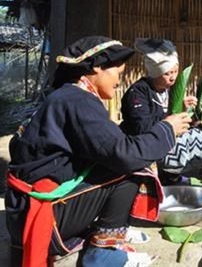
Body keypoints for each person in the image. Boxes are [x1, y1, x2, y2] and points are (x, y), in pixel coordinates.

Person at [6, 36, 192, 266]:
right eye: (118, 73)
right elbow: (125, 154)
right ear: (96, 68)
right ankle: (103, 253)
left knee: (112, 160)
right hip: (39, 216)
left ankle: (105, 232)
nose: (119, 81)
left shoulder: (66, 96)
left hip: (21, 211)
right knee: (134, 168)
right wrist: (167, 129)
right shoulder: (78, 100)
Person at [120, 38, 202, 184]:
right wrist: (171, 117)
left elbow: (175, 116)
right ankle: (165, 177)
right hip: (143, 142)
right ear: (155, 73)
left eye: (175, 71)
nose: (173, 77)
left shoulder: (169, 90)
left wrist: (188, 112)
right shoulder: (138, 92)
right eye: (168, 73)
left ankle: (179, 175)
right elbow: (141, 126)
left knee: (198, 134)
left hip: (163, 135)